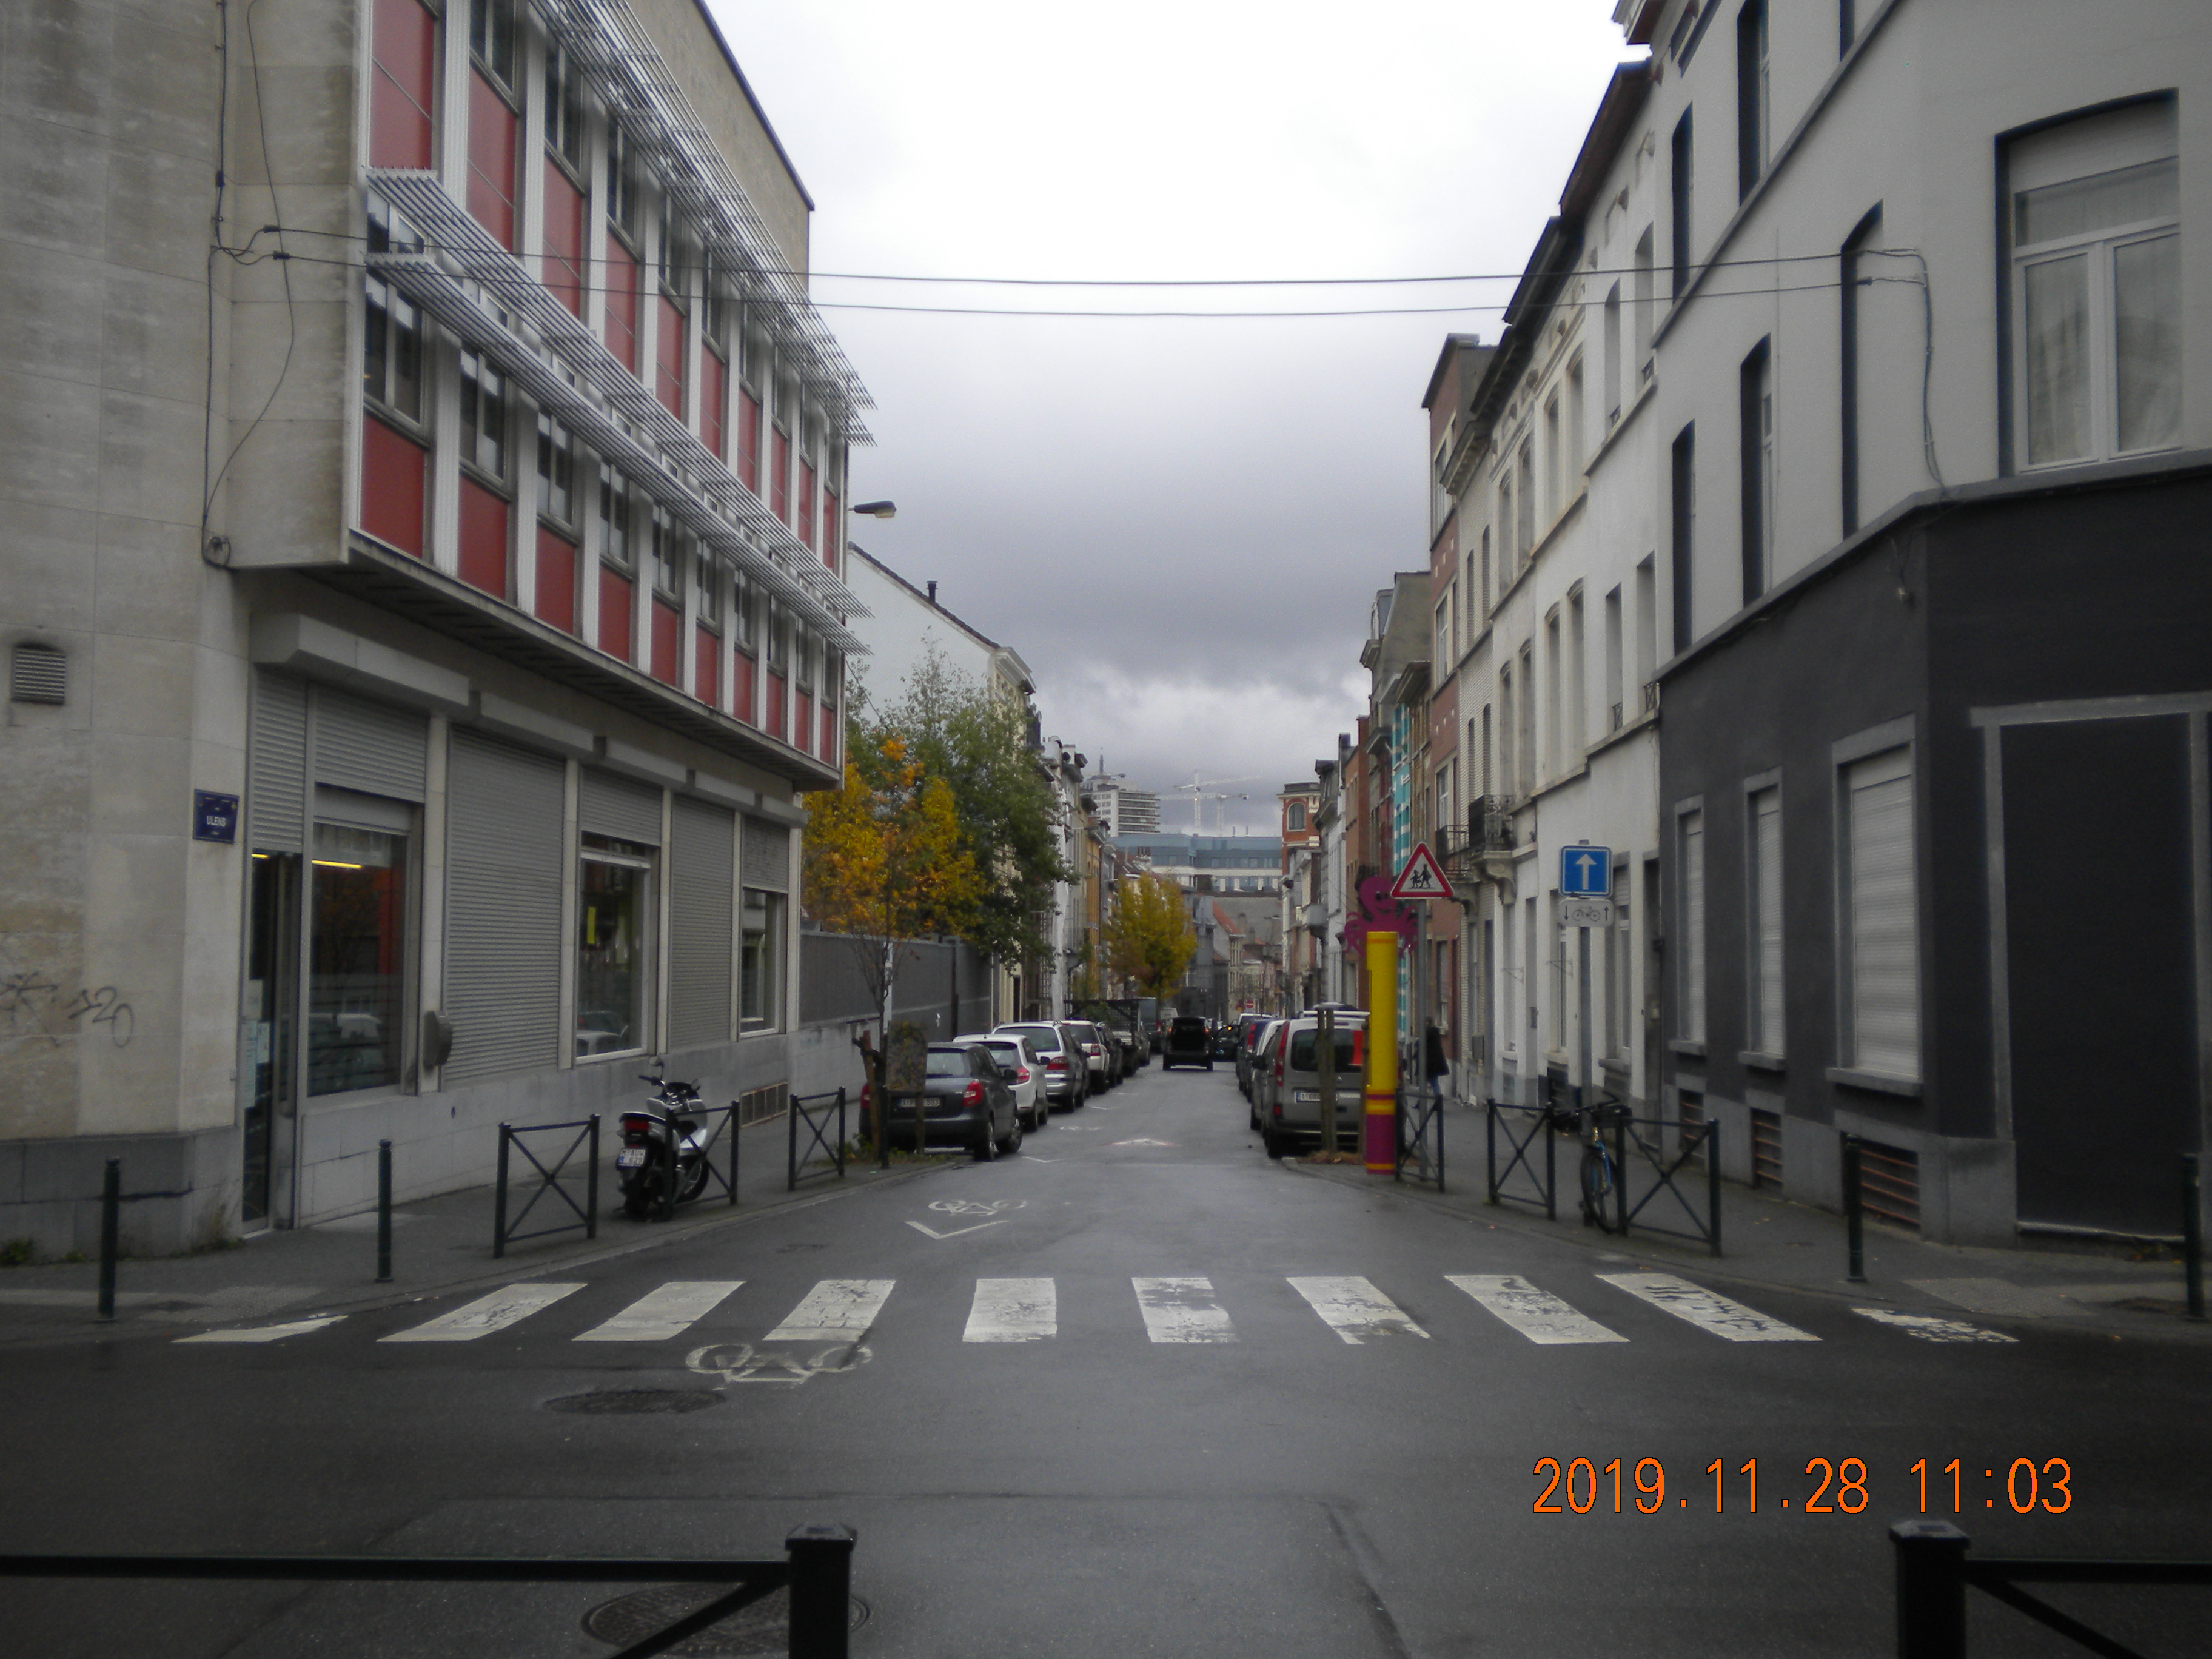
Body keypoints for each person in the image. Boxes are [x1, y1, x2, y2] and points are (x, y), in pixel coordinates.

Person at [1422, 1020, 1449, 1108]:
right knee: (1434, 1082)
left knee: (1430, 1082)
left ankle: (1437, 1103)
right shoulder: (1436, 1034)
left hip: (1430, 1064)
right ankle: (1437, 1102)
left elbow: (1423, 1047)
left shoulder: (1428, 1034)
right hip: (1436, 1063)